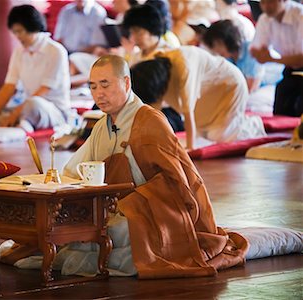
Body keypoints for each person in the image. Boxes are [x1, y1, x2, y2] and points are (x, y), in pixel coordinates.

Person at [62, 54, 249, 278]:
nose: (98, 94)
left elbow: (178, 183)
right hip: (116, 207)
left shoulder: (150, 121)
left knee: (115, 233)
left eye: (105, 85)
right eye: (92, 87)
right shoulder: (102, 125)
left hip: (155, 212)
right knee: (75, 229)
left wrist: (135, 203)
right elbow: (75, 169)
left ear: (126, 83)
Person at [135, 46, 266, 150]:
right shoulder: (151, 67)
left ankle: (252, 125)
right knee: (203, 135)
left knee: (219, 135)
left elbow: (188, 113)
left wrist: (190, 148)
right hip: (205, 95)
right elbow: (150, 109)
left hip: (229, 86)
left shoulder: (183, 67)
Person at [0, 5, 70, 132]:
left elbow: (44, 90)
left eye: (20, 31)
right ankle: (19, 123)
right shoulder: (19, 52)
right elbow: (9, 86)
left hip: (51, 111)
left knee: (33, 104)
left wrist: (15, 113)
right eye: (15, 32)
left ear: (33, 28)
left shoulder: (56, 51)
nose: (18, 36)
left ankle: (18, 122)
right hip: (25, 108)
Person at [250, 0, 303, 117]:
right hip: (290, 71)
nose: (266, 7)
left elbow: (301, 59)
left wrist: (272, 59)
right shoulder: (265, 19)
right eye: (263, 3)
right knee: (280, 110)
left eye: (271, 2)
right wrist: (286, 59)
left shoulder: (300, 15)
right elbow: (256, 53)